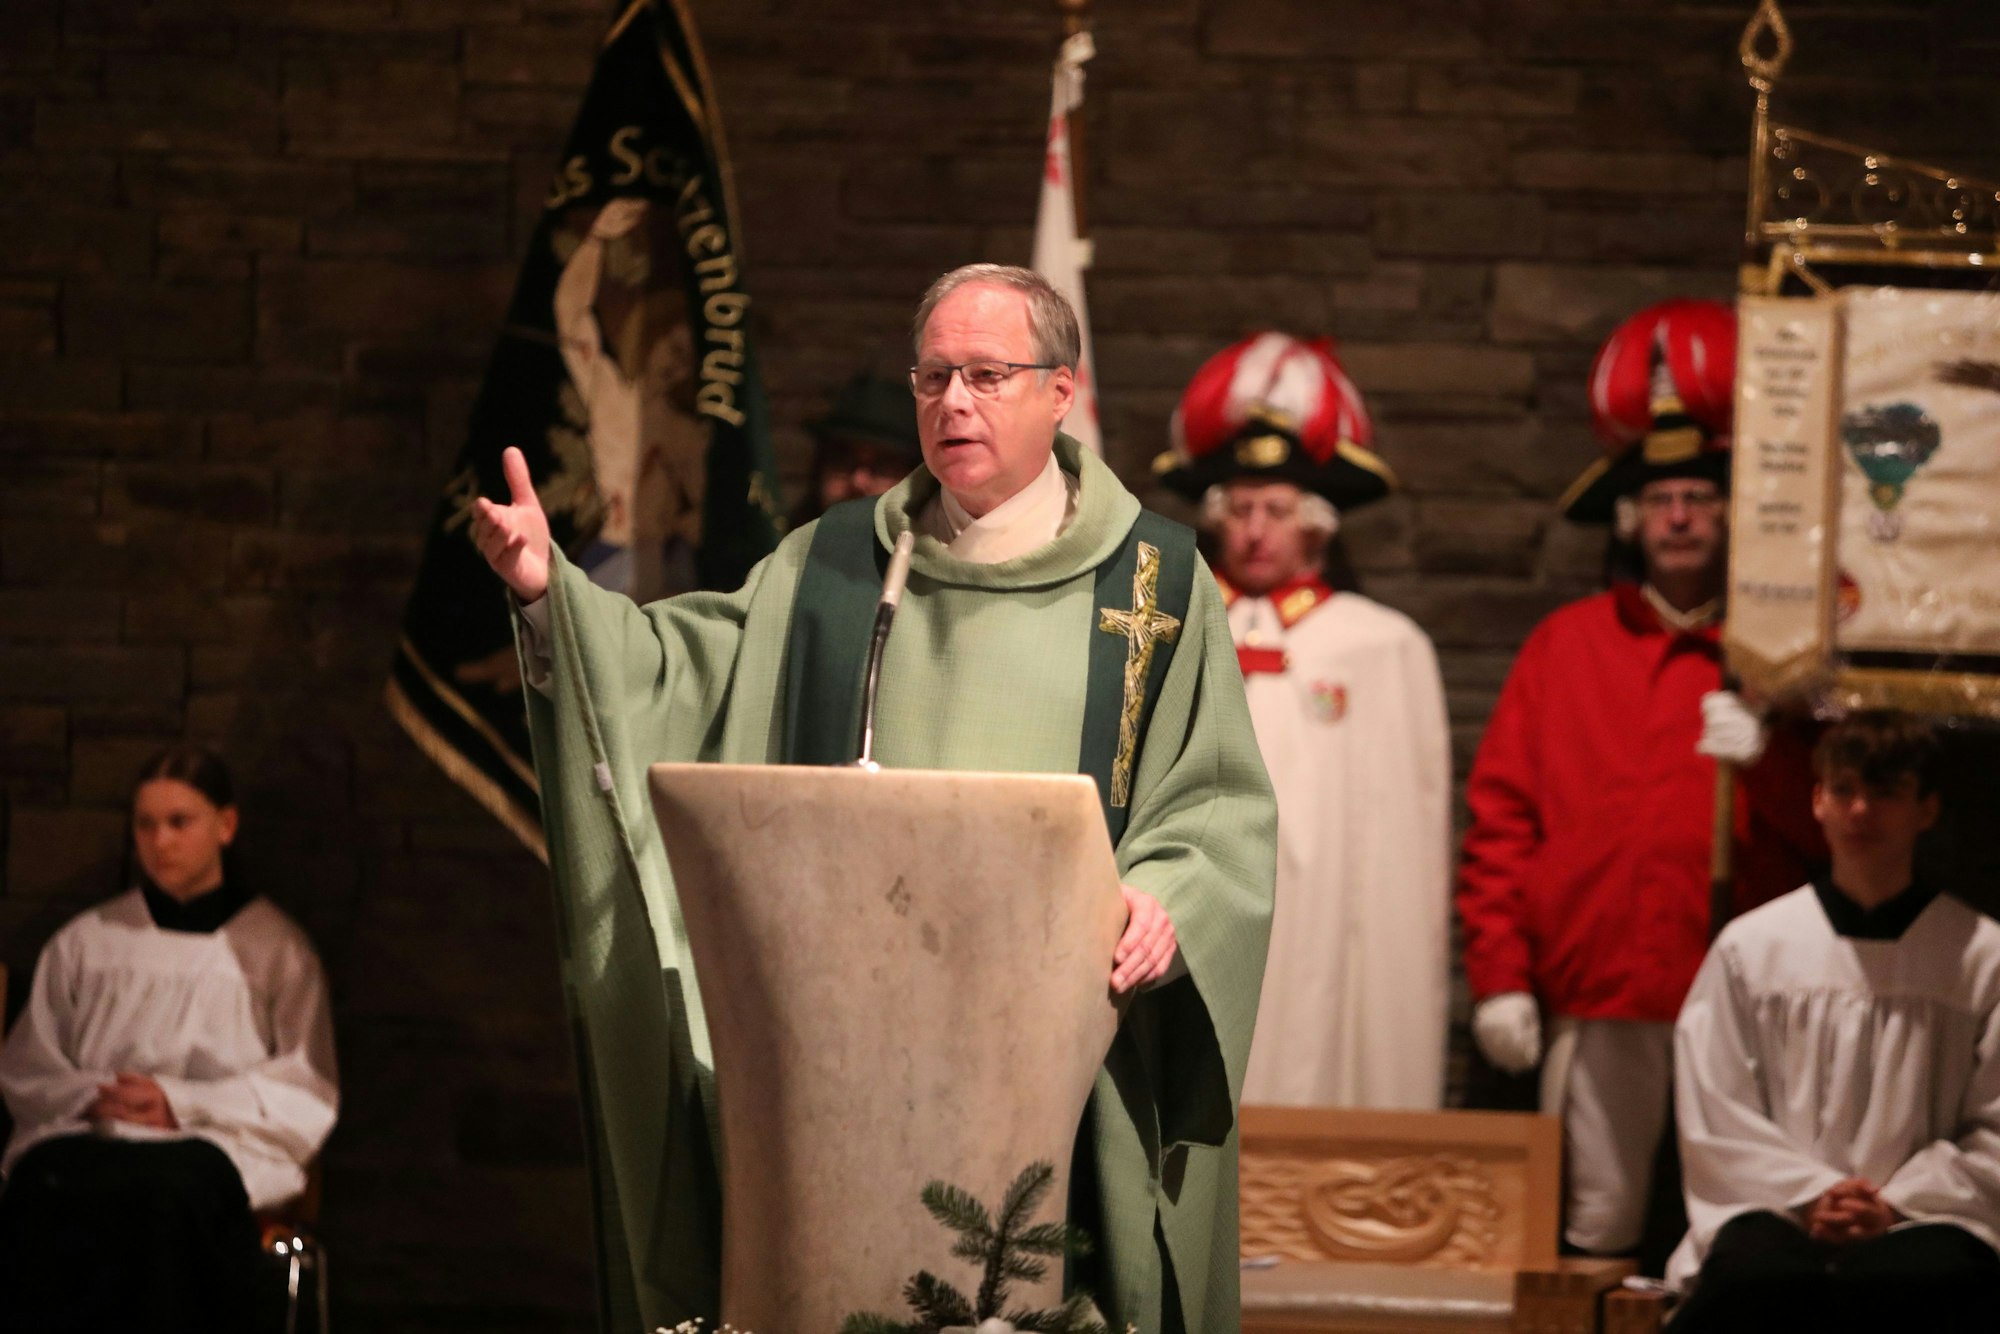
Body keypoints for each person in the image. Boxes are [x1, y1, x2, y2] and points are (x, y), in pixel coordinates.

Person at [475, 263, 1276, 1334]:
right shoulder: (837, 565)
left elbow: (1213, 805)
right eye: (933, 376)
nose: (951, 402)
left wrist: (1166, 897)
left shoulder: (1154, 586)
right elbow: (676, 670)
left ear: (1060, 390)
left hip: (1054, 1067)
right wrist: (549, 594)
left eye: (986, 375)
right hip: (840, 1064)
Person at [1456, 299, 1825, 1260]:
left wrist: (1773, 757)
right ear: (1631, 517)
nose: (1677, 515)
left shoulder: (1778, 660)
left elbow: (1844, 833)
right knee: (1594, 1235)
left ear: (1732, 511)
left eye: (1699, 497)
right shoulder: (1564, 648)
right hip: (1599, 991)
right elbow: (1502, 823)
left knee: (1747, 1228)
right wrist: (1499, 976)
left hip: (1747, 998)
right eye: (1661, 499)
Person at [1155, 332, 1451, 1110]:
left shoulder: (1379, 645)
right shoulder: (1170, 623)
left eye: (1277, 510)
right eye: (1243, 509)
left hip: (1324, 919)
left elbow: (1403, 848)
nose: (1256, 529)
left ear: (1316, 525)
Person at [1667, 711, 2000, 1333]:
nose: (1861, 811)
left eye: (1885, 793)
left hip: (1932, 1212)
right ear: (1817, 802)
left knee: (1919, 1285)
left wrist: (1895, 1205)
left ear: (1927, 810)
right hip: (1774, 1206)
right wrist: (1812, 1194)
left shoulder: (1981, 954)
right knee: (1756, 1284)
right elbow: (1717, 1105)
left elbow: (1996, 1123)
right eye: (1844, 791)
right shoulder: (1754, 947)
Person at [0, 745, 339, 1334]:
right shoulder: (87, 940)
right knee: (43, 1181)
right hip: (93, 1132)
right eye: (146, 824)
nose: (160, 841)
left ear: (225, 825)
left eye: (180, 822)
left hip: (214, 1144)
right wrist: (93, 1095)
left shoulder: (276, 950)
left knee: (167, 1195)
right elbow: (29, 1067)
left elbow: (305, 1090)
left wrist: (179, 1104)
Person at [787, 371, 924, 528]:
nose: (858, 482)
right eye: (843, 461)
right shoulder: (784, 548)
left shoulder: (935, 549)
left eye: (882, 466)